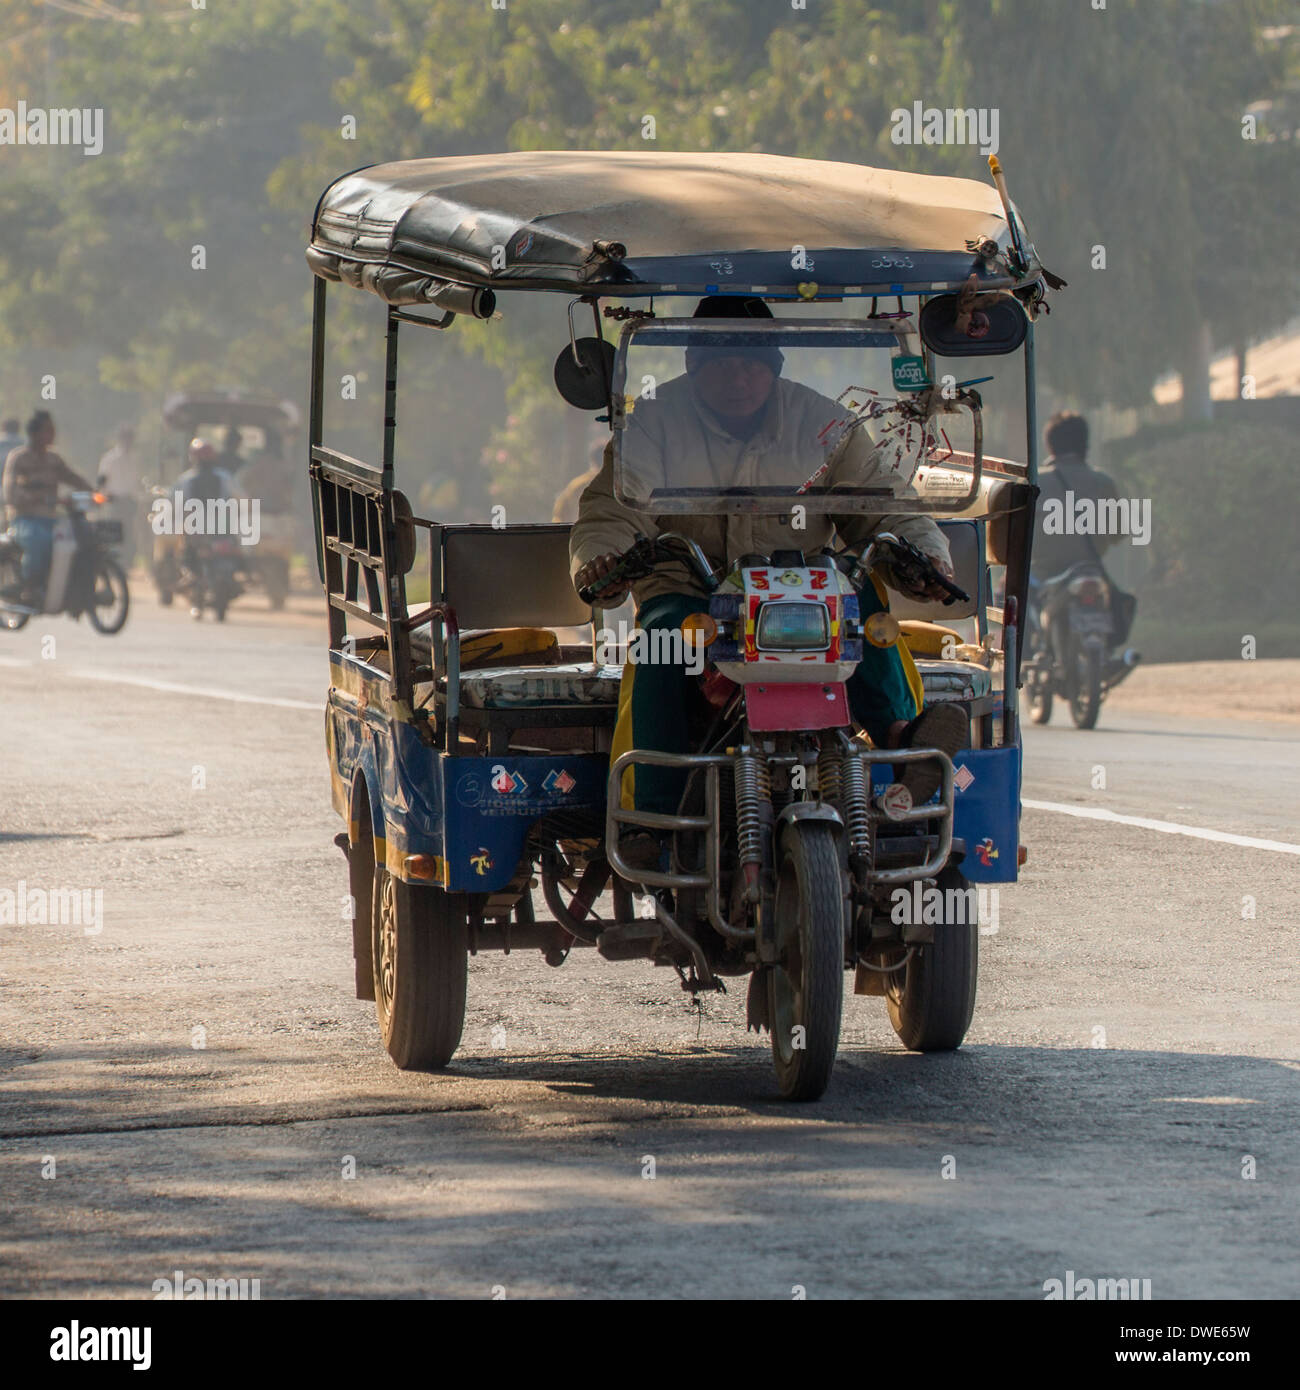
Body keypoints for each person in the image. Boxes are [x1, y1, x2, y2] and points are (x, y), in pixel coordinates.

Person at [570, 296, 966, 862]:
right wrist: (602, 562)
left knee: (864, 608)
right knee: (660, 643)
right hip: (693, 593)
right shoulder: (653, 422)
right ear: (693, 365)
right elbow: (613, 512)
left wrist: (926, 556)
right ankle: (648, 818)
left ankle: (905, 741)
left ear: (776, 364)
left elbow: (885, 507)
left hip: (801, 591)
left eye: (753, 360)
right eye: (722, 362)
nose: (739, 375)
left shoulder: (826, 424)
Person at [2, 411, 92, 602]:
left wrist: (95, 491)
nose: (52, 435)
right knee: (39, 540)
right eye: (47, 431)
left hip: (51, 518)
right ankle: (30, 587)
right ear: (34, 433)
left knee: (78, 537)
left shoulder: (54, 459)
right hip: (24, 518)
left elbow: (72, 477)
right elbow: (10, 492)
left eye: (52, 431)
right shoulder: (18, 458)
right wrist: (35, 498)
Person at [96, 423, 140, 566]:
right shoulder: (109, 459)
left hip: (130, 501)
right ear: (120, 439)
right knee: (114, 534)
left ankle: (126, 565)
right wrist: (104, 498)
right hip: (114, 501)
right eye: (125, 438)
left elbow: (136, 480)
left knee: (129, 534)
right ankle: (113, 565)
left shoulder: (134, 458)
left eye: (130, 438)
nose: (128, 441)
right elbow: (102, 481)